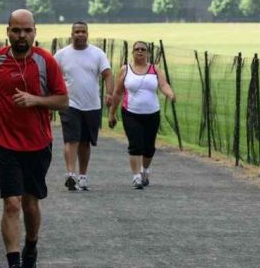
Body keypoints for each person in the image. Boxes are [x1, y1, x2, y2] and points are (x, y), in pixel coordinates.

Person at [0, 9, 68, 268]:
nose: (22, 36)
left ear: (35, 32)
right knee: (11, 202)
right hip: (3, 142)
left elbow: (63, 100)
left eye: (27, 30)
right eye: (16, 30)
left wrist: (35, 100)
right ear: (8, 31)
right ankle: (14, 266)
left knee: (30, 203)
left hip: (38, 143)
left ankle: (31, 248)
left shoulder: (45, 62)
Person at [108, 41, 176, 190]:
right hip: (131, 113)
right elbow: (118, 92)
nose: (140, 52)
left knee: (149, 147)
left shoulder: (154, 69)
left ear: (148, 53)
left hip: (152, 113)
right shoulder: (125, 70)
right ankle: (136, 177)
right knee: (135, 144)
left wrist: (170, 94)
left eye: (143, 49)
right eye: (137, 49)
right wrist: (112, 113)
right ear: (132, 53)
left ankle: (145, 171)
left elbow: (163, 85)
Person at [54, 21, 112, 192]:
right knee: (71, 139)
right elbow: (53, 78)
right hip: (69, 103)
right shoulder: (62, 55)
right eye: (77, 32)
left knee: (85, 142)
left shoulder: (97, 53)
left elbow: (107, 75)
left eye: (83, 31)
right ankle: (70, 174)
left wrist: (109, 93)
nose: (80, 34)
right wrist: (53, 100)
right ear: (71, 34)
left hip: (92, 104)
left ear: (88, 33)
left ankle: (83, 176)